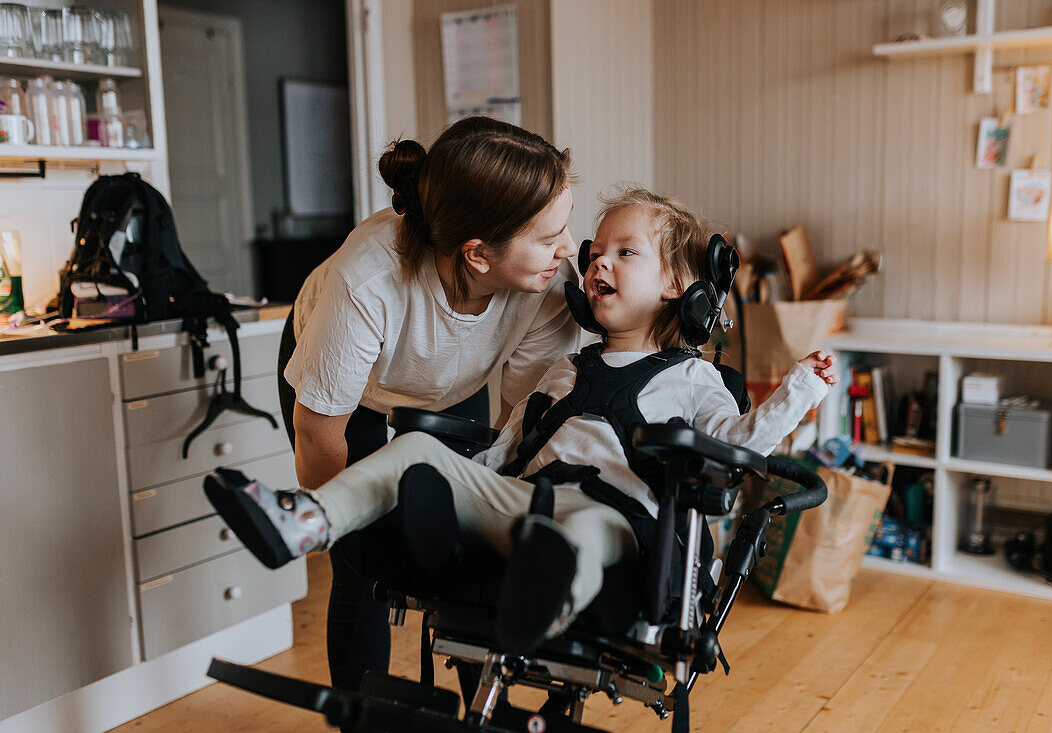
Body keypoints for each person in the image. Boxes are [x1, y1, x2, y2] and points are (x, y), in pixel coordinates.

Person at [221, 186, 837, 654]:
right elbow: (509, 445)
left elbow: (740, 445)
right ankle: (305, 521)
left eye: (626, 253)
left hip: (615, 516)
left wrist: (799, 388)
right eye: (596, 252)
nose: (599, 264)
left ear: (678, 284)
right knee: (418, 452)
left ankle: (547, 600)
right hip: (526, 498)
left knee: (583, 537)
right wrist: (456, 481)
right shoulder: (564, 369)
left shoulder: (696, 380)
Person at [276, 116, 584, 691]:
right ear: (477, 254)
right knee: (361, 568)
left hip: (452, 382)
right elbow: (318, 433)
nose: (568, 249)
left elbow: (515, 431)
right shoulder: (365, 282)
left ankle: (481, 716)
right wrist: (352, 529)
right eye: (549, 237)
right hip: (347, 391)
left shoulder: (550, 287)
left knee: (467, 552)